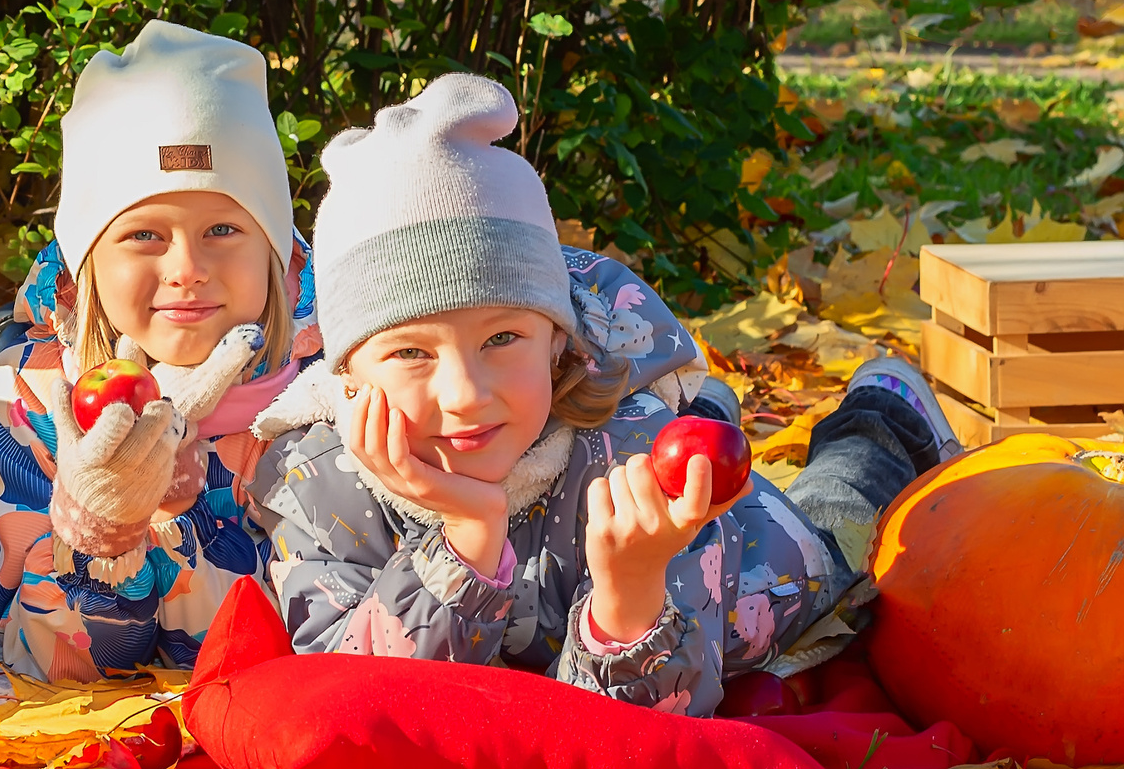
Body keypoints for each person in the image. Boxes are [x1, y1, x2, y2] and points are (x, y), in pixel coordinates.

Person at [246, 74, 959, 715]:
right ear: (345, 375)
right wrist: (466, 533)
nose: (464, 394)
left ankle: (883, 418)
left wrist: (630, 591)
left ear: (559, 339)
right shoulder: (316, 487)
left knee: (843, 524)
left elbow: (639, 737)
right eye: (410, 352)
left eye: (503, 339)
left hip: (758, 567)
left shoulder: (630, 461)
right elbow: (367, 706)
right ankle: (710, 409)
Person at [0, 21, 323, 683]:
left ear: (278, 257)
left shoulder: (334, 388)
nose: (188, 267)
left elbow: (327, 640)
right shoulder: (27, 396)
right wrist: (101, 533)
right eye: (144, 234)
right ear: (86, 267)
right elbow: (46, 659)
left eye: (224, 228)